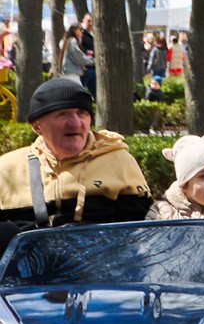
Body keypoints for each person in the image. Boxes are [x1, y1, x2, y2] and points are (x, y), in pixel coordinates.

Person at [0, 78, 152, 237]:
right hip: (28, 253)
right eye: (62, 114)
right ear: (37, 126)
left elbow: (142, 233)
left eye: (82, 113)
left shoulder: (119, 160)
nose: (75, 123)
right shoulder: (6, 168)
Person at [77, 13, 95, 97]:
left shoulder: (91, 34)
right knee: (78, 92)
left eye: (92, 22)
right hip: (84, 69)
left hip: (92, 67)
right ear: (83, 20)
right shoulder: (80, 33)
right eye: (88, 21)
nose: (90, 24)